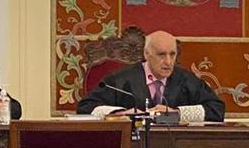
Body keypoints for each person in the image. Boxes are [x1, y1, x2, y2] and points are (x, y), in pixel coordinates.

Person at [76, 30, 224, 123]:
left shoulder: (186, 80)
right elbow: (85, 108)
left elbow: (216, 110)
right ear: (147, 54)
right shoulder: (119, 81)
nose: (168, 61)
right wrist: (121, 114)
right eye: (161, 54)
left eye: (172, 54)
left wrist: (177, 114)